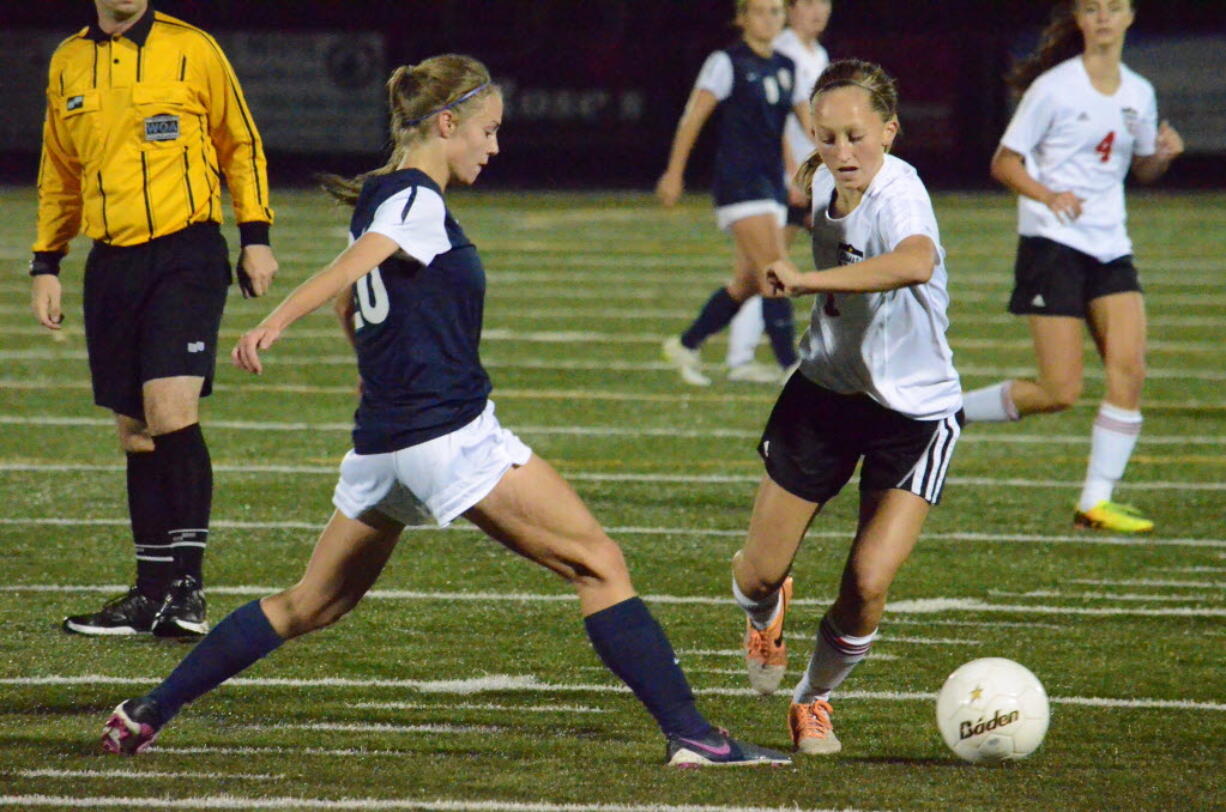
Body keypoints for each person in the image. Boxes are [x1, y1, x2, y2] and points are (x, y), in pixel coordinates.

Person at [100, 55, 790, 769]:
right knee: (601, 564)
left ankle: (150, 709)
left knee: (309, 604)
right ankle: (695, 735)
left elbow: (353, 300)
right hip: (450, 438)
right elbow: (350, 272)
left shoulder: (380, 196)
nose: (494, 147)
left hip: (383, 449)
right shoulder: (413, 200)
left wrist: (371, 380)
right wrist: (276, 320)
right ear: (446, 123)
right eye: (487, 131)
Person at [729, 60, 963, 754]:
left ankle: (813, 701)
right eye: (826, 138)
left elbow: (916, 260)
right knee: (756, 575)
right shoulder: (822, 183)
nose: (842, 152)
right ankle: (766, 615)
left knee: (866, 582)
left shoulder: (901, 192)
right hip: (825, 396)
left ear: (889, 130)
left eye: (856, 136)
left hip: (913, 416)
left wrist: (806, 279)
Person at [30, 0, 278, 637]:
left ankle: (189, 589)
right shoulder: (68, 59)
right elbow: (59, 167)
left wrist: (256, 233)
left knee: (171, 412)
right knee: (136, 432)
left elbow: (239, 142)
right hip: (110, 262)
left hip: (184, 253)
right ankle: (149, 593)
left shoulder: (192, 47)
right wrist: (47, 260)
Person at [961, 0, 1182, 534]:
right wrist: (1048, 194)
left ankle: (1095, 503)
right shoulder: (1055, 88)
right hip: (1052, 244)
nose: (1103, 17)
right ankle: (948, 412)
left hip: (1110, 245)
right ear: (1080, 21)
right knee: (1060, 391)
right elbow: (1004, 162)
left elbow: (1141, 168)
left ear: (1130, 17)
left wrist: (1163, 156)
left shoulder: (1139, 93)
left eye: (1113, 8)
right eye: (1091, 8)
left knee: (1130, 368)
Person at [657, 0, 808, 386]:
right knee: (776, 269)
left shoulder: (787, 67)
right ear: (742, 18)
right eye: (759, 11)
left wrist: (805, 171)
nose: (768, 19)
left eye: (776, 11)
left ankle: (686, 344)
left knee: (748, 282)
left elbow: (803, 128)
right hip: (739, 182)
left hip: (771, 183)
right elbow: (693, 119)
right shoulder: (726, 62)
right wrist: (675, 173)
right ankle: (791, 365)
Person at [726, 0, 832, 378]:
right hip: (788, 182)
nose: (818, 11)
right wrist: (793, 175)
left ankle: (748, 355)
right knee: (767, 268)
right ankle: (744, 357)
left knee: (767, 269)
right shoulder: (781, 48)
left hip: (812, 178)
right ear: (790, 10)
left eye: (824, 4)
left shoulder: (816, 53)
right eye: (809, 4)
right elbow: (777, 124)